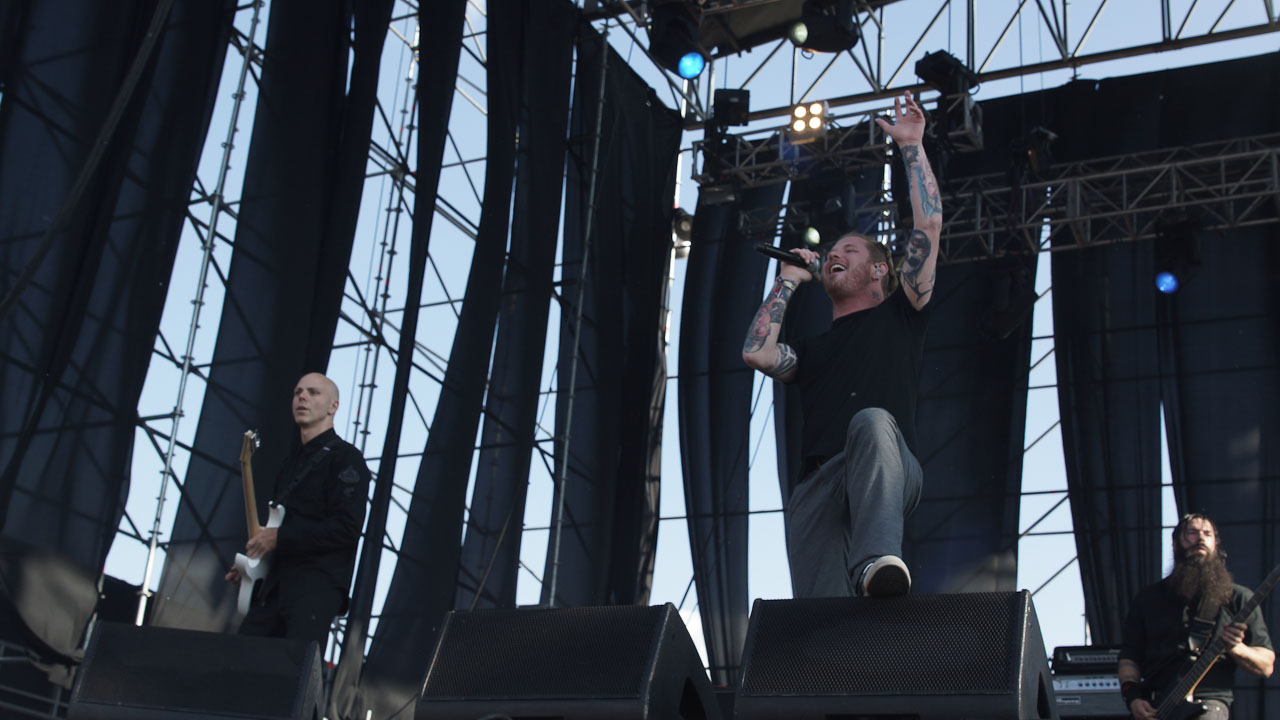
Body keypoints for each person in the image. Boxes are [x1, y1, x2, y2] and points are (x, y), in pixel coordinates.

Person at [741, 90, 941, 598]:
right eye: (832, 251)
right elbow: (757, 352)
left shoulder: (902, 311)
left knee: (870, 421)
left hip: (887, 461)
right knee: (822, 619)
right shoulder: (814, 349)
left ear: (878, 270)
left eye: (849, 251)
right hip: (818, 483)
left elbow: (928, 225)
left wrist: (912, 146)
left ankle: (877, 560)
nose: (835, 254)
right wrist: (788, 279)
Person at [225, 372, 371, 647]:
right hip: (274, 588)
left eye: (313, 392)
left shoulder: (346, 459)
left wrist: (279, 538)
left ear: (333, 407)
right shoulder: (289, 466)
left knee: (295, 668)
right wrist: (251, 566)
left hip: (315, 588)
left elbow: (347, 528)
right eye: (297, 392)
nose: (302, 397)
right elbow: (278, 530)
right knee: (241, 661)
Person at [1118, 513, 1274, 719]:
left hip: (1208, 703)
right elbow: (1129, 659)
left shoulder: (1238, 598)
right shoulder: (1148, 599)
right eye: (1192, 533)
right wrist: (1133, 698)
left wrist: (1237, 648)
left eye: (1207, 534)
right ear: (1175, 544)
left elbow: (1266, 665)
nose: (1200, 538)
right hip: (1155, 706)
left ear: (1215, 545)